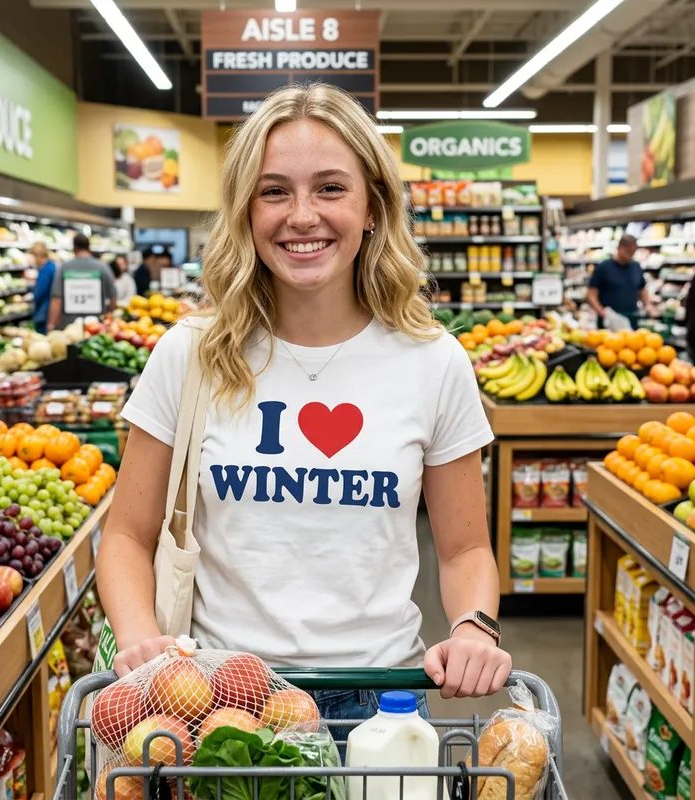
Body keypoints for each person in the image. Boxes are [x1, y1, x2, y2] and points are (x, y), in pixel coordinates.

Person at [97, 85, 509, 718]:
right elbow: (126, 534)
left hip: (384, 700)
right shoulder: (190, 354)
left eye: (330, 188)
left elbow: (464, 550)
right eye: (274, 191)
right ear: (246, 210)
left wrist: (474, 628)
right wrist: (139, 642)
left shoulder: (434, 362)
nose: (302, 215)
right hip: (218, 695)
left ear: (372, 205)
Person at [47, 234, 118, 331]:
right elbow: (113, 296)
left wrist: (51, 324)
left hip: (69, 326)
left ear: (74, 248)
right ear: (89, 247)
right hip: (97, 326)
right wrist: (109, 316)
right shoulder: (102, 267)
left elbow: (56, 298)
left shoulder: (64, 268)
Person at [587, 234, 652, 328]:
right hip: (608, 323)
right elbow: (591, 294)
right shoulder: (603, 267)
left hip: (631, 321)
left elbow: (642, 289)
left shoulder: (636, 267)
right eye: (628, 252)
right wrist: (603, 313)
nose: (630, 256)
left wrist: (648, 305)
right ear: (619, 248)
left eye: (633, 253)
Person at [30, 243, 56, 335]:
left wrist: (29, 298)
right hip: (52, 312)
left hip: (44, 312)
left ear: (37, 255)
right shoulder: (52, 266)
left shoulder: (45, 270)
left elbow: (39, 293)